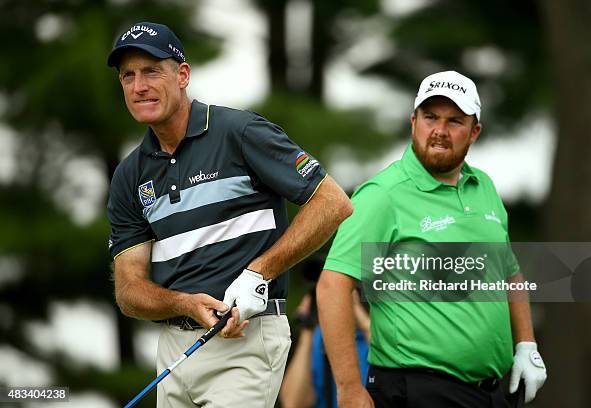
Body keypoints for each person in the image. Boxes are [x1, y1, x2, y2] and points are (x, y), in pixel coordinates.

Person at [105, 22, 353, 407]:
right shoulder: (129, 175)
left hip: (246, 339)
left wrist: (259, 272)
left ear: (182, 74)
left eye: (152, 71)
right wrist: (184, 304)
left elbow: (332, 202)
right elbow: (129, 290)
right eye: (128, 76)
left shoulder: (239, 132)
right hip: (173, 351)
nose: (139, 86)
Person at [316, 71, 547, 407]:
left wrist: (527, 344)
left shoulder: (484, 187)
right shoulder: (383, 194)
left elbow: (509, 274)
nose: (439, 131)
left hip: (492, 392)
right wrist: (350, 388)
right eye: (430, 117)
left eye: (454, 121)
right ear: (413, 122)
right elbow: (333, 285)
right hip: (416, 389)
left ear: (474, 132)